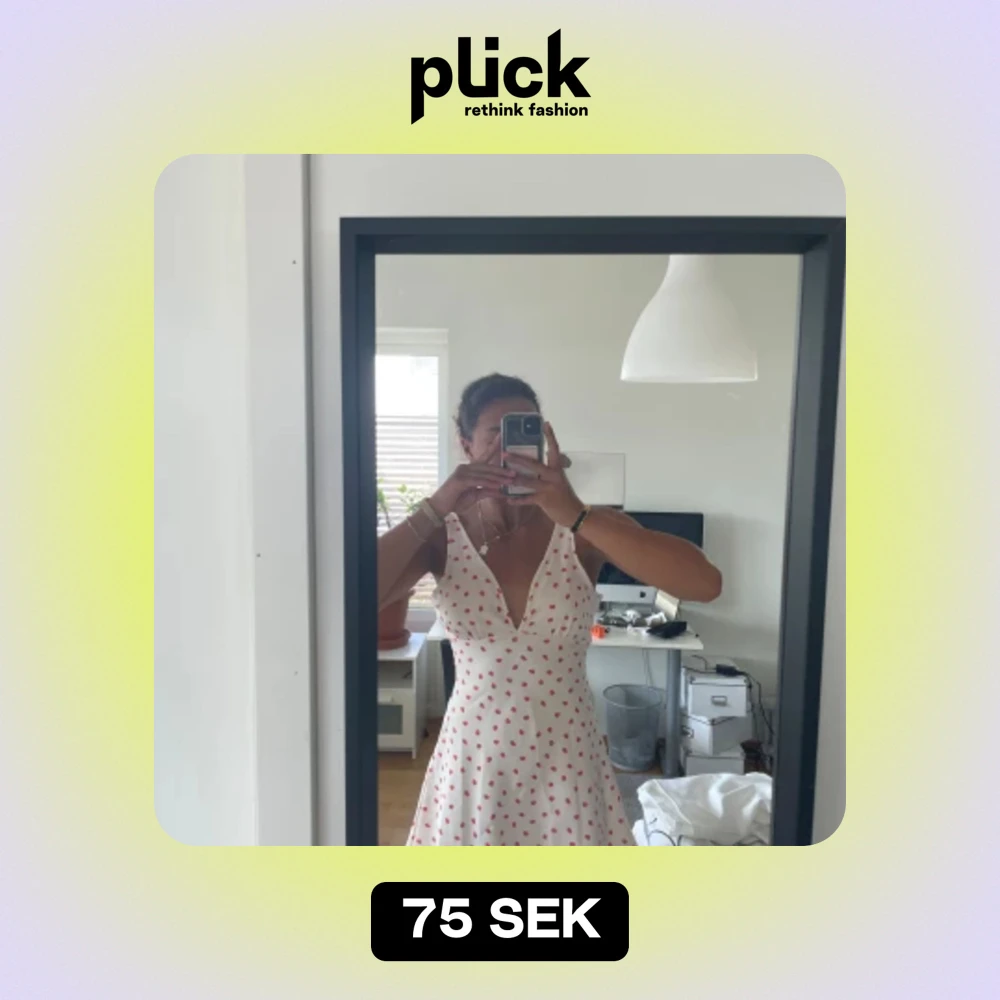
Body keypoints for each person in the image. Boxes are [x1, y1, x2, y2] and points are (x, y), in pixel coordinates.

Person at [377, 374, 723, 846]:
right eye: (496, 434)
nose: (511, 449)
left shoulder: (581, 527)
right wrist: (434, 508)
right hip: (474, 760)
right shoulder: (442, 533)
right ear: (465, 443)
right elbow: (345, 600)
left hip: (566, 757)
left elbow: (705, 584)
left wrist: (577, 513)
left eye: (525, 430)